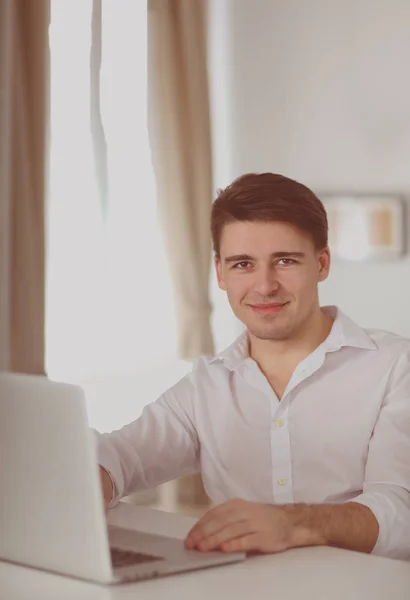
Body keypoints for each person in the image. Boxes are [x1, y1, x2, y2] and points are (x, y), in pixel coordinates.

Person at [97, 172, 410, 560]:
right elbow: (123, 454)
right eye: (243, 264)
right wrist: (92, 476)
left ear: (322, 263)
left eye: (285, 261)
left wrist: (293, 524)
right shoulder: (206, 385)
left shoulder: (396, 366)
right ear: (220, 273)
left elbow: (401, 515)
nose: (264, 286)